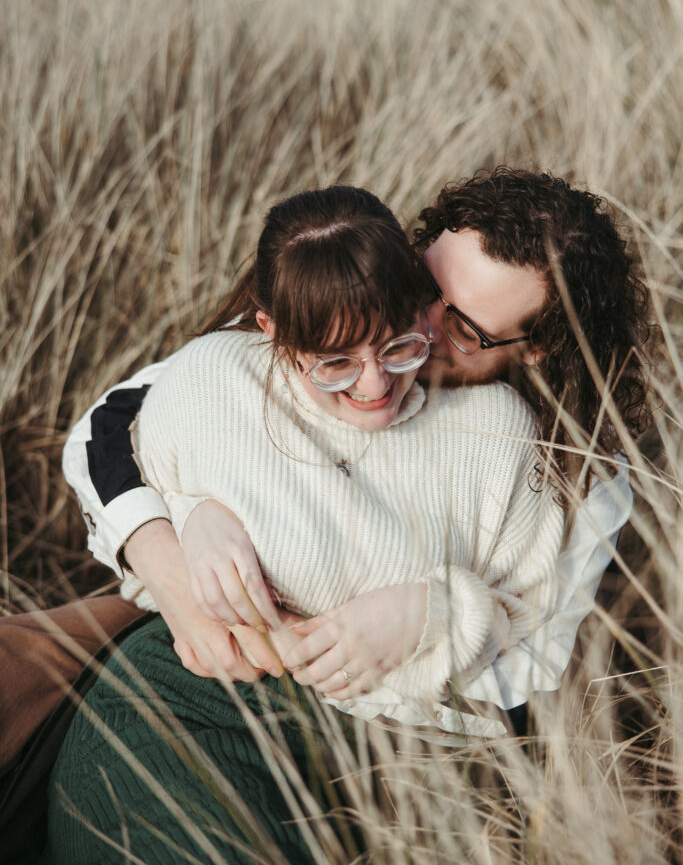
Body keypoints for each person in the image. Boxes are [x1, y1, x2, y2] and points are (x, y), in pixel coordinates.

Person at [0, 168, 649, 835]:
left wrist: (426, 614)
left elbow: (531, 676)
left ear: (538, 348)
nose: (416, 323)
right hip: (204, 618)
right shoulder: (346, 311)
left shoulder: (577, 471)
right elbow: (110, 430)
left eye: (461, 327)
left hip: (394, 705)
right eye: (424, 288)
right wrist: (177, 546)